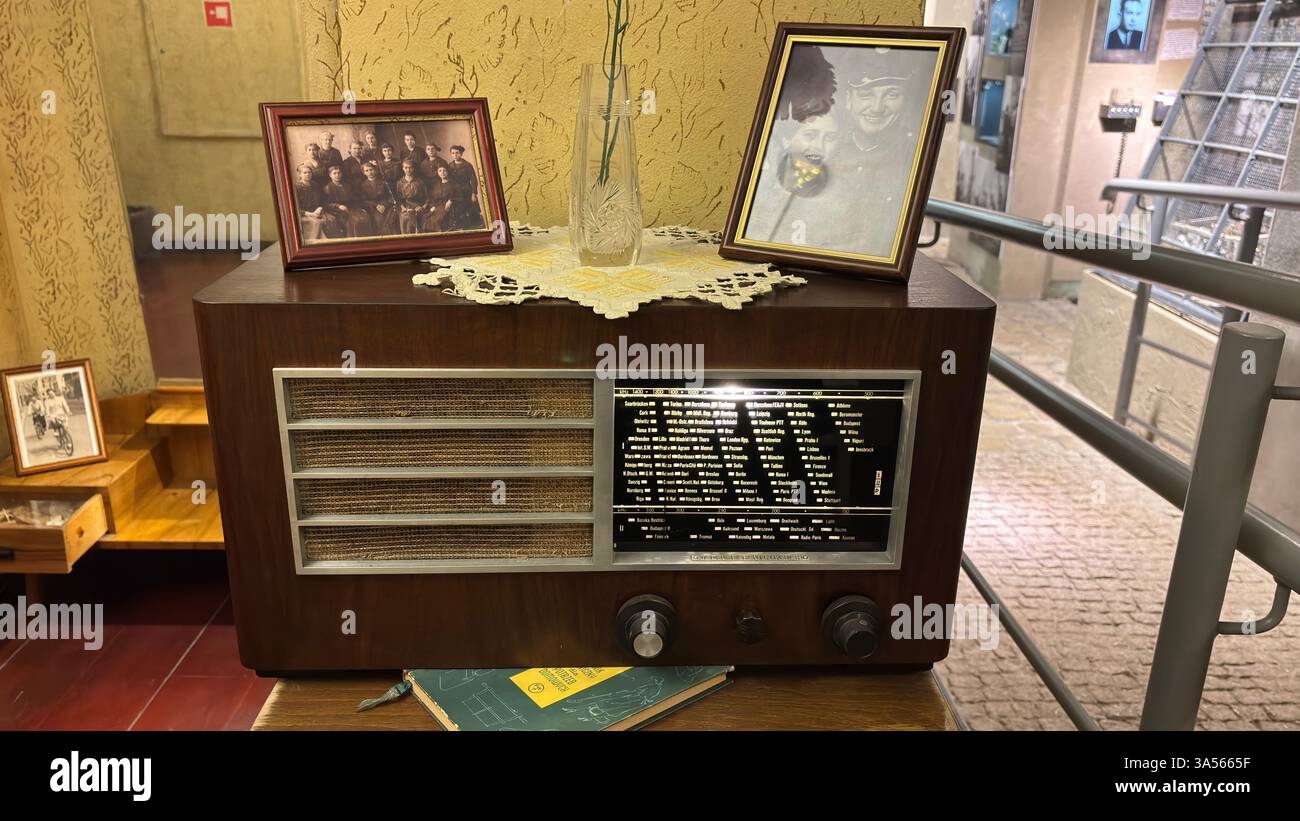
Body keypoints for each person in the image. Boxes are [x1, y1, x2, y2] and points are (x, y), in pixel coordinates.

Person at [321, 165, 371, 238]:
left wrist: (360, 208)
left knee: (365, 217)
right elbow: (326, 204)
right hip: (338, 211)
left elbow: (354, 199)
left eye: (339, 173)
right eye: (334, 173)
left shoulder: (347, 185)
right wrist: (338, 206)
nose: (337, 175)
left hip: (351, 208)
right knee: (354, 221)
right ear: (330, 175)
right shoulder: (328, 188)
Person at [446, 145, 484, 230]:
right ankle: (459, 224)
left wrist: (474, 193)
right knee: (457, 210)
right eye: (453, 153)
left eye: (457, 153)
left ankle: (473, 224)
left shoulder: (467, 165)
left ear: (461, 154)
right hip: (455, 191)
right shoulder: (449, 166)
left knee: (472, 211)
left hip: (466, 190)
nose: (455, 155)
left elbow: (473, 180)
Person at [293, 162, 331, 240]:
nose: (307, 174)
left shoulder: (316, 185)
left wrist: (320, 208)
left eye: (309, 172)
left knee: (331, 220)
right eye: (305, 173)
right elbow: (294, 207)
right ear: (300, 175)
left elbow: (322, 201)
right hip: (303, 214)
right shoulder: (296, 187)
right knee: (316, 222)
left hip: (317, 211)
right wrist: (310, 214)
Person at [358, 161, 397, 236]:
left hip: (386, 205)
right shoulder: (363, 185)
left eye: (371, 169)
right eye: (367, 170)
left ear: (375, 170)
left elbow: (390, 197)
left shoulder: (383, 182)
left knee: (392, 219)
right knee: (379, 219)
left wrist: (385, 205)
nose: (370, 172)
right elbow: (363, 200)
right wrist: (376, 205)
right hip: (372, 207)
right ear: (364, 172)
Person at [395, 159, 428, 234]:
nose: (408, 170)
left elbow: (427, 197)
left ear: (413, 168)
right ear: (403, 168)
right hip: (406, 206)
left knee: (419, 217)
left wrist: (421, 206)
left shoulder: (420, 181)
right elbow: (398, 198)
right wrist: (403, 208)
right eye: (406, 168)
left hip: (418, 205)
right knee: (405, 217)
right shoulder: (399, 182)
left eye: (410, 167)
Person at [425, 164, 456, 232]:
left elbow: (459, 196)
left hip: (449, 206)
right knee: (426, 217)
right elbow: (432, 198)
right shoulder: (436, 185)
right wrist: (433, 206)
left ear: (448, 172)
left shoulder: (453, 184)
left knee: (438, 218)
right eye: (440, 171)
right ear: (438, 173)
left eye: (444, 170)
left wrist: (451, 200)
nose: (442, 173)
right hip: (438, 205)